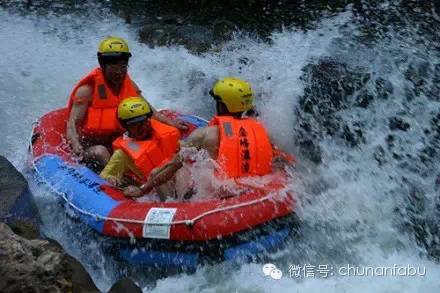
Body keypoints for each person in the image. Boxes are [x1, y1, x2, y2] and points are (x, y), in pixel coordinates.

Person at [123, 77, 293, 198]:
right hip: (252, 189)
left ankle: (175, 210)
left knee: (164, 171)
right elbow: (280, 159)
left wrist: (143, 189)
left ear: (222, 104)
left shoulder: (205, 135)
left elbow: (171, 166)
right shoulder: (263, 130)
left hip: (219, 194)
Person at [66, 36, 187, 169]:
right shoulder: (87, 91)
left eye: (123, 66)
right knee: (101, 152)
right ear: (103, 65)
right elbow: (72, 123)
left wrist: (172, 124)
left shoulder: (130, 86)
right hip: (91, 146)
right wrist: (76, 146)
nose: (119, 71)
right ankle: (120, 185)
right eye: (113, 66)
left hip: (121, 141)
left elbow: (151, 112)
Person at [100, 97, 180, 189]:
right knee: (156, 174)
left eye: (144, 121)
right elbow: (104, 177)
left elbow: (184, 153)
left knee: (181, 171)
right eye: (135, 124)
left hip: (173, 175)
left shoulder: (163, 133)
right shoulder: (122, 155)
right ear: (125, 126)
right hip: (149, 187)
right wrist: (111, 179)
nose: (142, 127)